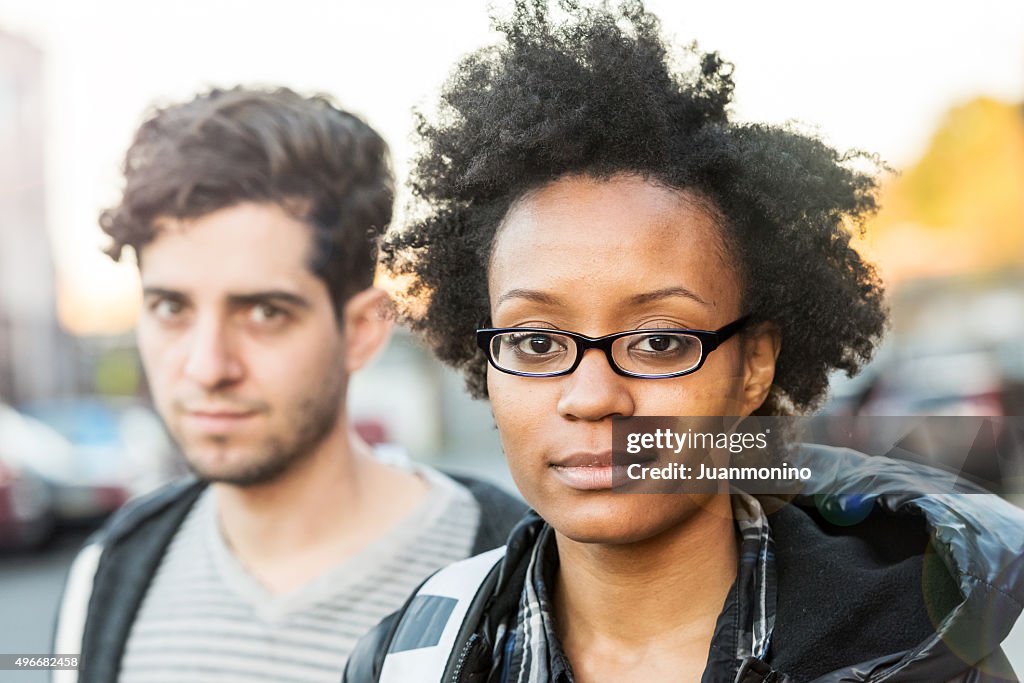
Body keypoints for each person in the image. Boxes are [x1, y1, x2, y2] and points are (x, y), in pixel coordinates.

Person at [343, 2, 1024, 682]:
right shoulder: (410, 657)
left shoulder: (921, 653)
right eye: (537, 342)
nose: (592, 397)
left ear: (754, 364)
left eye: (659, 342)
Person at [52, 87, 526, 683]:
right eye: (172, 307)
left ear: (361, 330)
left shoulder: (521, 574)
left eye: (263, 312)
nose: (206, 366)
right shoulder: (110, 572)